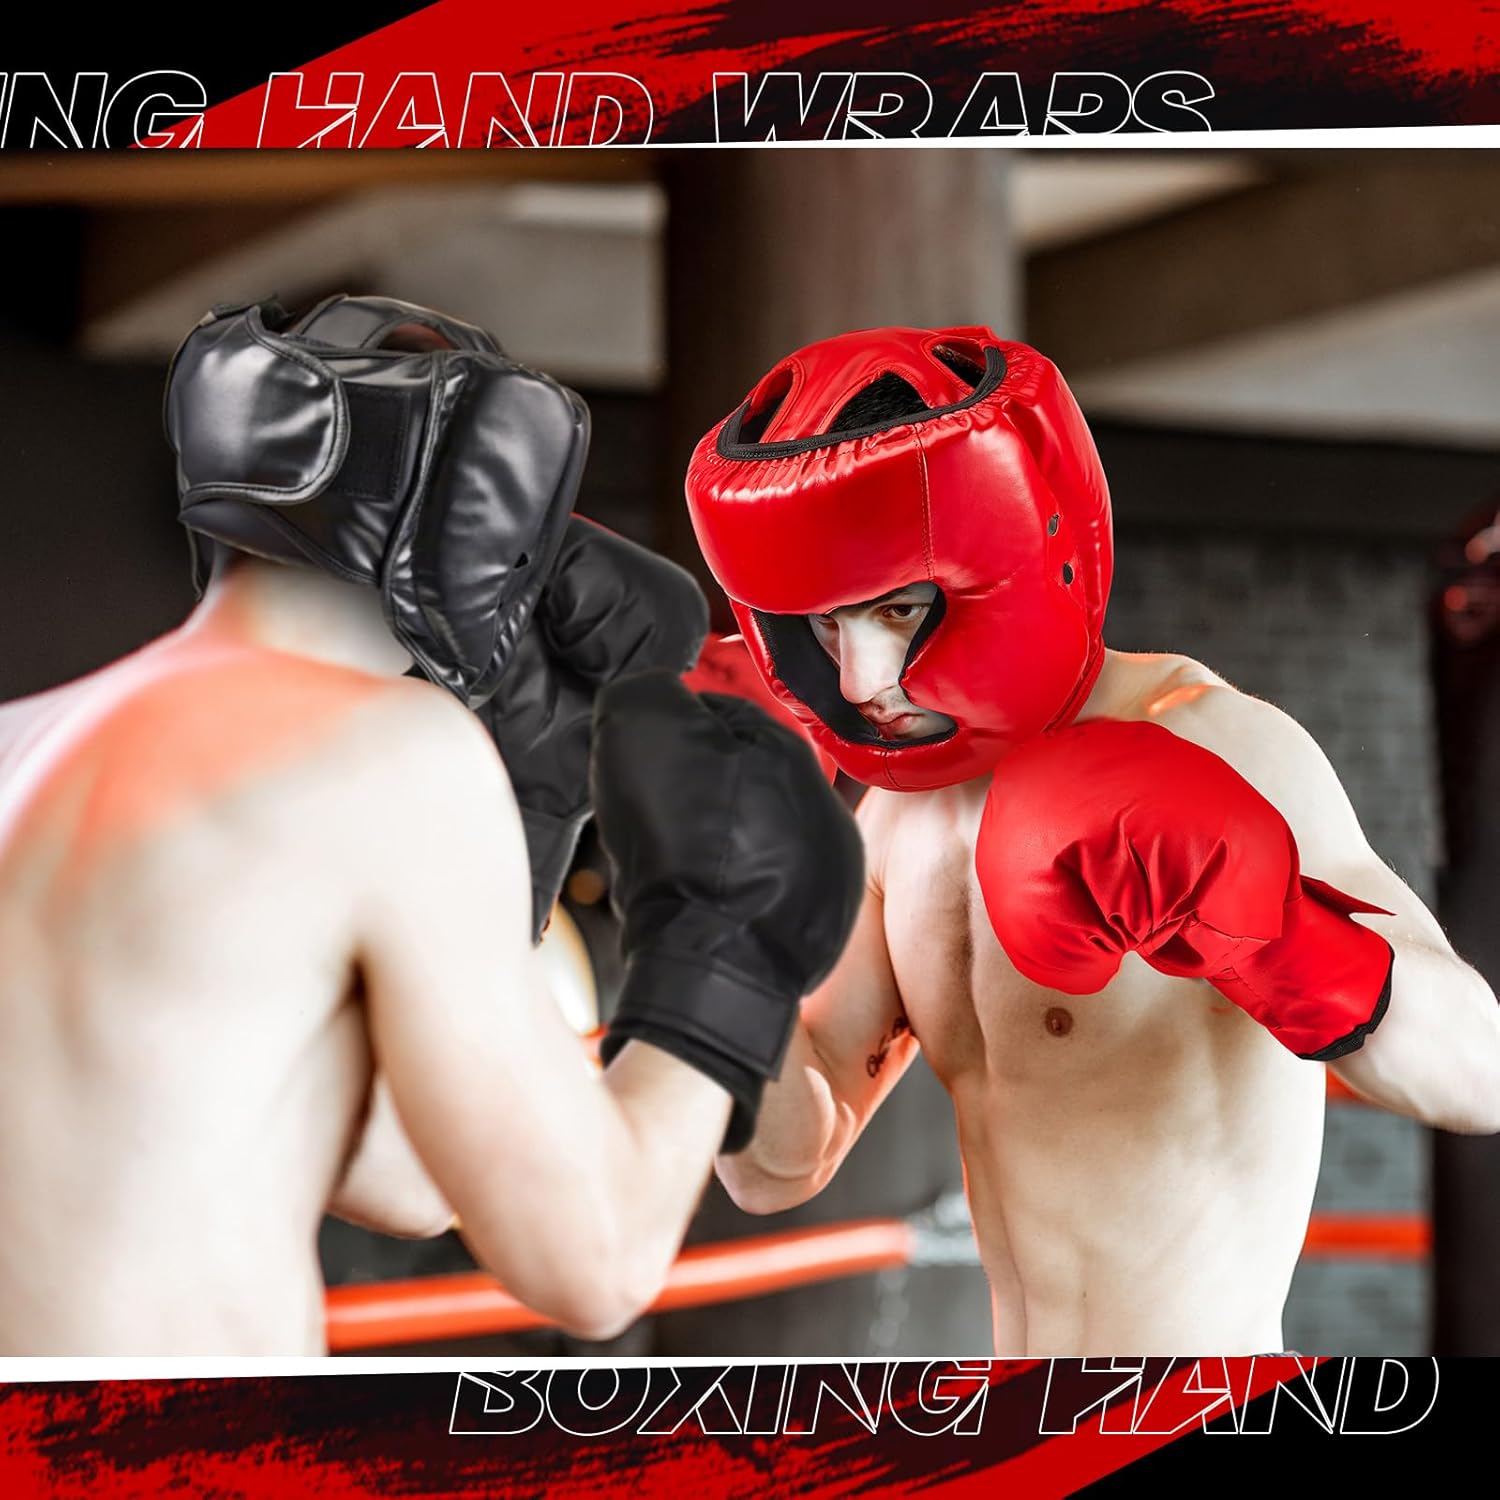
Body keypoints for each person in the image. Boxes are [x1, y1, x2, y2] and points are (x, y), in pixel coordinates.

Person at [0, 294, 861, 1354]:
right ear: (487, 501)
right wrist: (726, 925)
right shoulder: (387, 756)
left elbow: (409, 1179)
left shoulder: (25, 737)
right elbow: (597, 1260)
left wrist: (534, 810)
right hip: (163, 1436)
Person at [686, 325, 1500, 1355]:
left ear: (1016, 554)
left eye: (896, 609)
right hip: (1019, 1410)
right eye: (826, 627)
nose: (861, 680)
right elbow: (776, 1168)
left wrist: (1272, 927)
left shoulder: (1216, 742)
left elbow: (1479, 1074)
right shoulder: (899, 814)